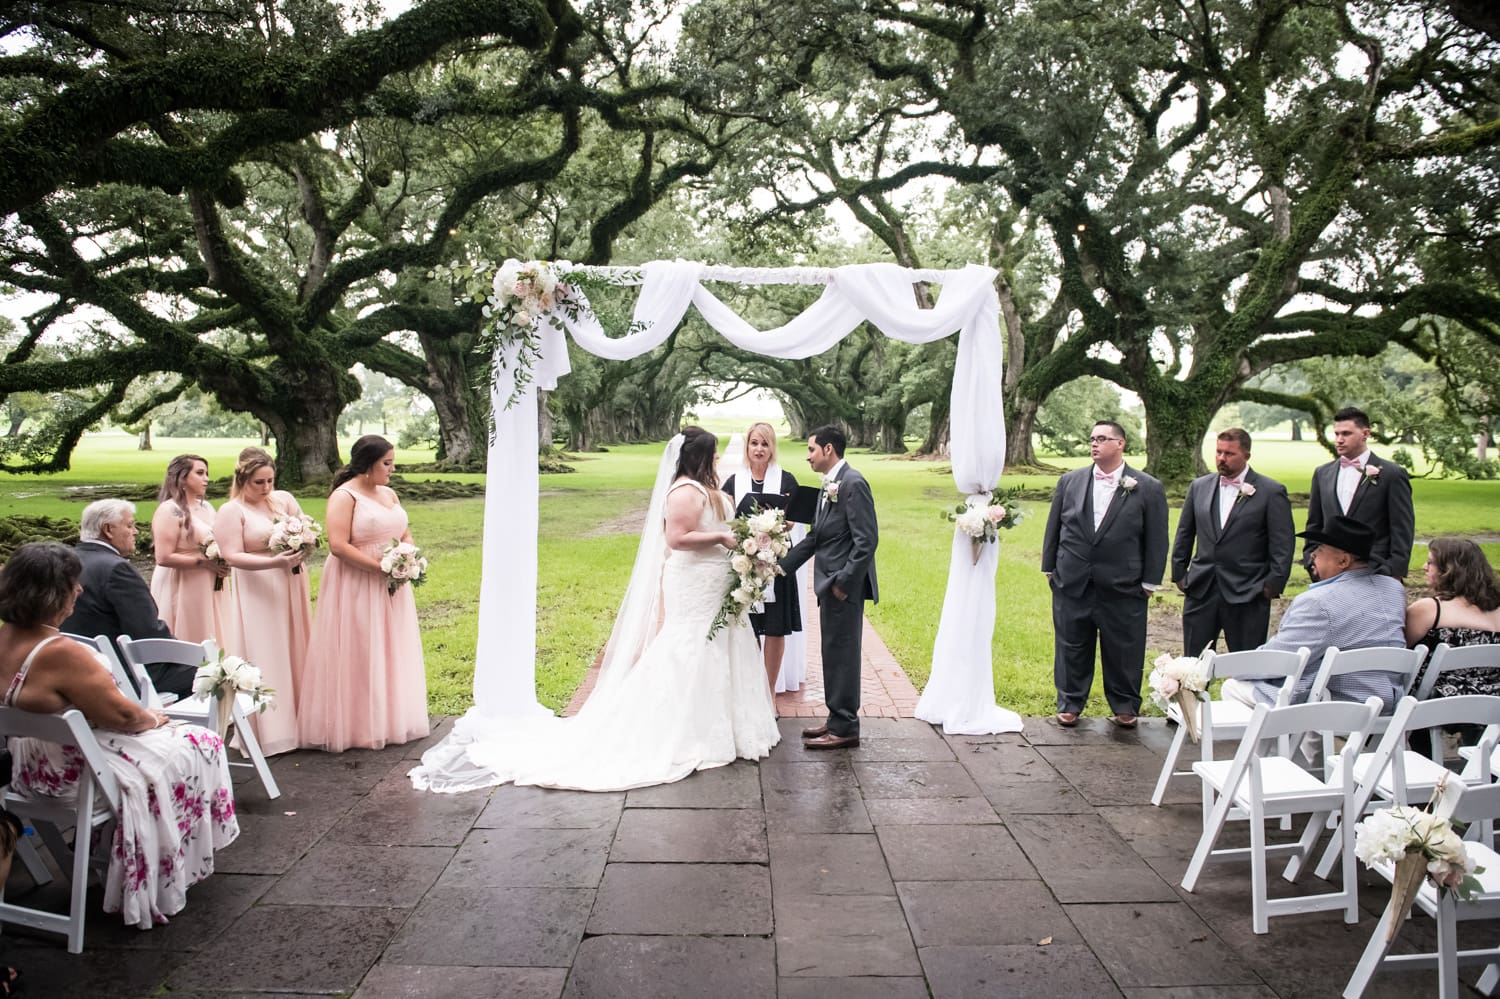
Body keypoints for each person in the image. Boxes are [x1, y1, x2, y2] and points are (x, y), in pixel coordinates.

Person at [409, 428, 779, 792]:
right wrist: (721, 537)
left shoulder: (711, 490)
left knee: (724, 643)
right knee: (688, 647)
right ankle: (679, 725)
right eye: (713, 453)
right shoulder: (684, 492)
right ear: (699, 456)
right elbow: (676, 540)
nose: (717, 459)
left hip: (716, 582)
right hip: (694, 583)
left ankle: (730, 724)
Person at [0, 542, 239, 930]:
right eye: (73, 584)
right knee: (203, 743)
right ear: (53, 593)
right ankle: (172, 863)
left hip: (26, 772)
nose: (79, 590)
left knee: (178, 748)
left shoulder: (5, 637)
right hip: (76, 777)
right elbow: (124, 717)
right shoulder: (64, 653)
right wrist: (156, 719)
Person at [298, 436, 429, 752]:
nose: (392, 469)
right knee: (361, 647)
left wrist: (406, 558)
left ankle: (389, 716)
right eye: (387, 463)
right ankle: (358, 724)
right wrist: (380, 567)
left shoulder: (389, 493)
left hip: (392, 582)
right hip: (357, 582)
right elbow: (338, 545)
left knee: (390, 646)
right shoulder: (345, 496)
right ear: (368, 464)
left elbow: (403, 530)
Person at [1041, 420, 1169, 728]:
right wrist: (1050, 568)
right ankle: (1070, 702)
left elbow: (1156, 538)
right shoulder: (1070, 481)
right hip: (1073, 581)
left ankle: (1125, 705)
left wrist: (1150, 581)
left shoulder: (1147, 487)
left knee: (1124, 648)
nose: (1094, 444)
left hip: (1124, 584)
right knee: (1072, 645)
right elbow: (1055, 527)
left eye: (1102, 438)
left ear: (1121, 444)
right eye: (1092, 439)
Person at [1223, 516, 1408, 710]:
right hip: (1388, 703)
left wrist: (1237, 669)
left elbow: (1280, 659)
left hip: (1337, 707)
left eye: (1320, 550)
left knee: (1233, 686)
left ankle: (1269, 742)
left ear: (1343, 560)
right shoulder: (1393, 589)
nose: (1312, 555)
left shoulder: (1319, 603)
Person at [781, 425, 879, 750]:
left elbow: (867, 541)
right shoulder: (830, 485)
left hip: (842, 588)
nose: (807, 456)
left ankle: (846, 728)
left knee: (844, 655)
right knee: (833, 654)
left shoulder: (853, 483)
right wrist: (779, 567)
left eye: (811, 450)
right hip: (830, 586)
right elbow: (816, 537)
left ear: (828, 450)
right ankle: (836, 719)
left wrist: (844, 583)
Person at [212, 448, 311, 756]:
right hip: (258, 584)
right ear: (243, 479)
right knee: (268, 648)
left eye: (270, 480)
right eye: (259, 482)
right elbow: (231, 555)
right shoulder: (232, 511)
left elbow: (306, 526)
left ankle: (304, 721)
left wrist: (305, 543)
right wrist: (273, 563)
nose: (266, 487)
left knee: (296, 644)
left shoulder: (284, 500)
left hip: (291, 580)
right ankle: (272, 730)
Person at [1171, 428, 1294, 654]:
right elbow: (1185, 533)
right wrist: (1180, 573)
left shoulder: (1270, 491)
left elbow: (1282, 544)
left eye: (1229, 453)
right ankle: (1194, 691)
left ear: (1246, 455)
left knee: (1246, 665)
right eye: (1218, 452)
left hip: (1248, 591)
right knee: (1192, 664)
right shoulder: (1199, 487)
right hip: (1201, 588)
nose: (1221, 458)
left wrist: (1270, 586)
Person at [60, 498, 184, 698]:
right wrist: (186, 653)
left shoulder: (68, 559)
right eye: (130, 525)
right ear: (108, 530)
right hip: (121, 673)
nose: (135, 532)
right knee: (210, 674)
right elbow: (148, 632)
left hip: (76, 666)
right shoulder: (117, 569)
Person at [720, 421, 803, 695]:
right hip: (746, 563)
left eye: (765, 444)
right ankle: (751, 691)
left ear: (772, 448)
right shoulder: (734, 481)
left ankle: (768, 693)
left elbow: (794, 519)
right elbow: (724, 518)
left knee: (776, 627)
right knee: (749, 626)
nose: (759, 449)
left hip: (775, 563)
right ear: (747, 446)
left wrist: (785, 524)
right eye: (754, 443)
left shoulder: (787, 480)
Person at [1303, 406, 1415, 580]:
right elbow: (1315, 524)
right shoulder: (1322, 473)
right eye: (1337, 434)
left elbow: (1402, 529)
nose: (1339, 440)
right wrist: (1310, 562)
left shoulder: (1392, 474)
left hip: (1376, 572)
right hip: (1330, 574)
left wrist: (1394, 572)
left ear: (1365, 433)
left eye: (1346, 434)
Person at [149, 454, 231, 649]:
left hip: (209, 582)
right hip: (182, 582)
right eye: (200, 473)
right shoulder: (170, 510)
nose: (206, 479)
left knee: (213, 633)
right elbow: (163, 556)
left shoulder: (207, 508)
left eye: (207, 474)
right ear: (183, 477)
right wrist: (203, 562)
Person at [1407, 538, 1500, 698]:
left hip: (1435, 707)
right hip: (1492, 707)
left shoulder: (1431, 609)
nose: (1424, 567)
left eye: (1430, 563)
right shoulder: (1497, 610)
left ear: (1449, 570)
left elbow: (1400, 654)